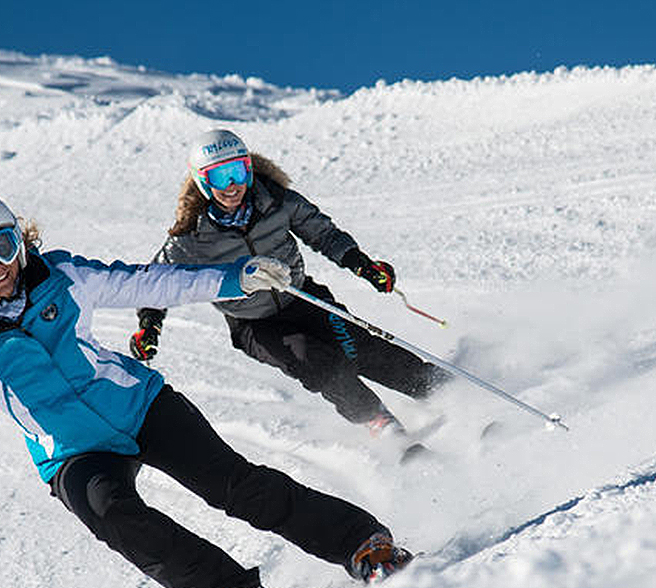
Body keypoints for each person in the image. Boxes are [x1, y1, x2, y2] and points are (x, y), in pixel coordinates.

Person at [0, 191, 412, 588]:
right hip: (71, 452)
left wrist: (233, 278)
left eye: (5, 247)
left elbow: (147, 280)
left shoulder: (62, 277)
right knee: (115, 517)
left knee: (236, 486)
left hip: (139, 405)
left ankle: (362, 544)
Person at [130, 129, 450, 437]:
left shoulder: (276, 201)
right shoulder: (191, 234)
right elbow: (160, 280)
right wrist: (150, 323)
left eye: (238, 173)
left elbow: (321, 232)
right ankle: (379, 421)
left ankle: (439, 390)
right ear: (202, 181)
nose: (231, 186)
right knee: (314, 361)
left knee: (357, 345)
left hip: (302, 296)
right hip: (254, 323)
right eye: (219, 177)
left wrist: (361, 264)